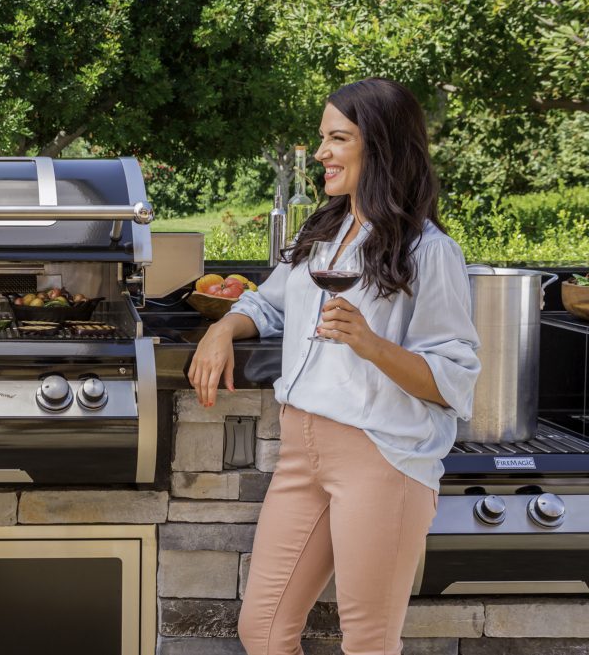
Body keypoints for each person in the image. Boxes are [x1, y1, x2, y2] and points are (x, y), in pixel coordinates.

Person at [186, 78, 481, 655]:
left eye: (337, 138)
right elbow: (268, 303)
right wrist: (222, 328)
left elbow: (454, 376)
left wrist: (371, 344)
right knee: (265, 631)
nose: (320, 152)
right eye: (323, 137)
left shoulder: (427, 250)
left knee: (368, 643)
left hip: (381, 458)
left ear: (382, 146)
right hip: (303, 452)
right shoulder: (323, 232)